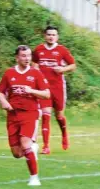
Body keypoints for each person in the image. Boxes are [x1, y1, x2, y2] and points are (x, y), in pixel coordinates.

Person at [0, 45, 51, 186]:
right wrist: (3, 101)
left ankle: (34, 178)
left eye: (28, 55)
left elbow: (46, 94)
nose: (27, 58)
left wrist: (31, 90)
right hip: (13, 115)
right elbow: (0, 91)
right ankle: (32, 149)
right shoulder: (9, 73)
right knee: (16, 153)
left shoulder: (36, 73)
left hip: (30, 114)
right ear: (17, 57)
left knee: (25, 143)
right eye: (23, 56)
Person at [33, 25, 76, 154]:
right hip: (44, 89)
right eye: (49, 34)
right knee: (45, 115)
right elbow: (34, 65)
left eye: (53, 35)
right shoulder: (39, 49)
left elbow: (73, 65)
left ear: (57, 37)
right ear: (44, 36)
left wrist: (63, 69)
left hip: (58, 88)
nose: (51, 37)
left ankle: (64, 134)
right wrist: (36, 77)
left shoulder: (62, 50)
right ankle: (46, 146)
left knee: (59, 116)